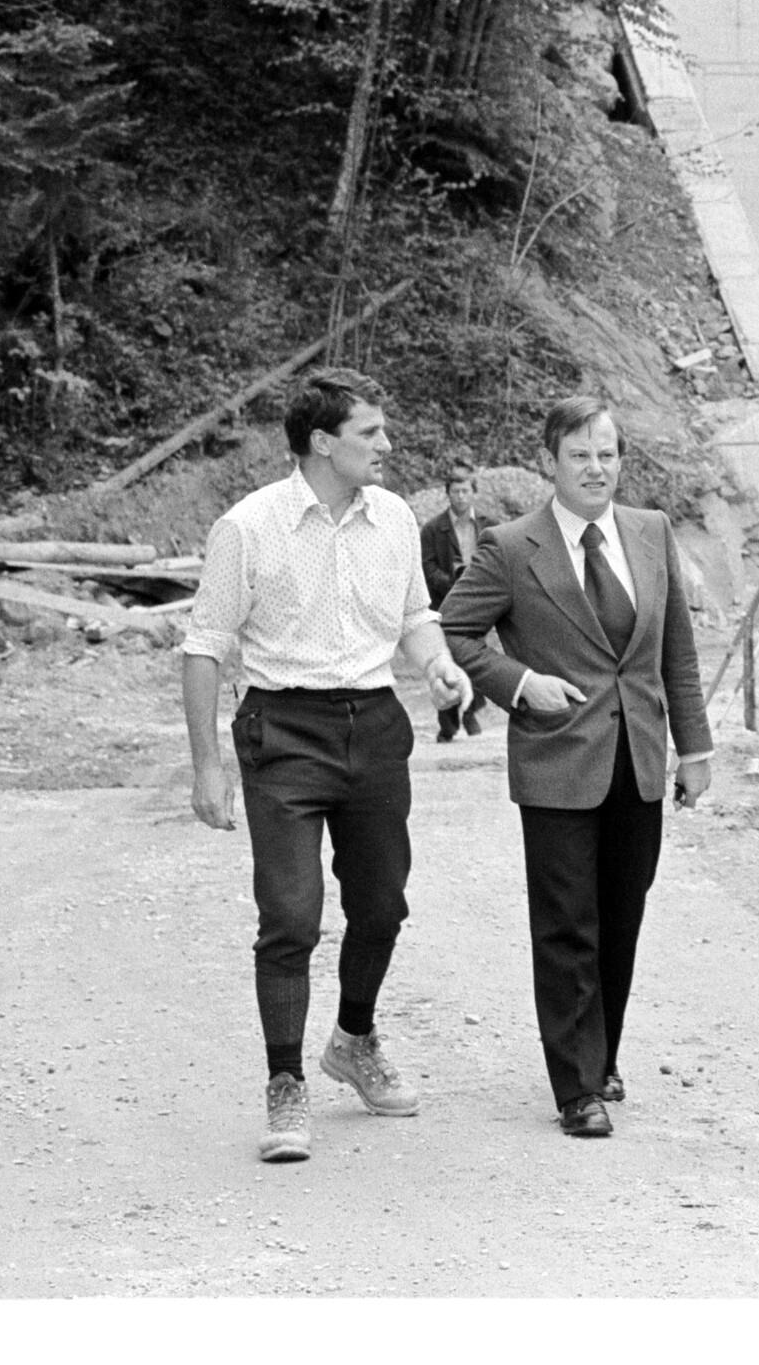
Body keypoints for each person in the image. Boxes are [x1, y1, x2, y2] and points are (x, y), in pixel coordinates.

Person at [178, 366, 476, 1166]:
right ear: (321, 443)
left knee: (382, 905)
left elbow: (414, 615)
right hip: (283, 728)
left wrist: (438, 664)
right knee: (291, 915)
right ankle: (285, 1082)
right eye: (369, 432)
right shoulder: (249, 527)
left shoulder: (395, 519)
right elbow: (205, 647)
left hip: (375, 724)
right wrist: (208, 767)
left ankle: (353, 1039)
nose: (387, 444)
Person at [439, 396, 712, 1138]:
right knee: (567, 925)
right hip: (558, 759)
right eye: (580, 455)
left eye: (607, 454)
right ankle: (576, 1087)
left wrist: (695, 748)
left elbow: (677, 650)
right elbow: (454, 632)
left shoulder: (651, 532)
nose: (596, 469)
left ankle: (603, 1055)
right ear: (549, 462)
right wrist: (520, 683)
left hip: (639, 761)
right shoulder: (509, 546)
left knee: (621, 918)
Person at [420, 458, 490, 740]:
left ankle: (471, 710)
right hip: (445, 605)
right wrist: (452, 584)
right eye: (455, 491)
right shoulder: (432, 529)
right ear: (447, 494)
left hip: (480, 603)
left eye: (465, 491)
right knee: (446, 659)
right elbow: (427, 567)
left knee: (476, 657)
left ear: (474, 492)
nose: (460, 497)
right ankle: (448, 725)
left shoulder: (488, 526)